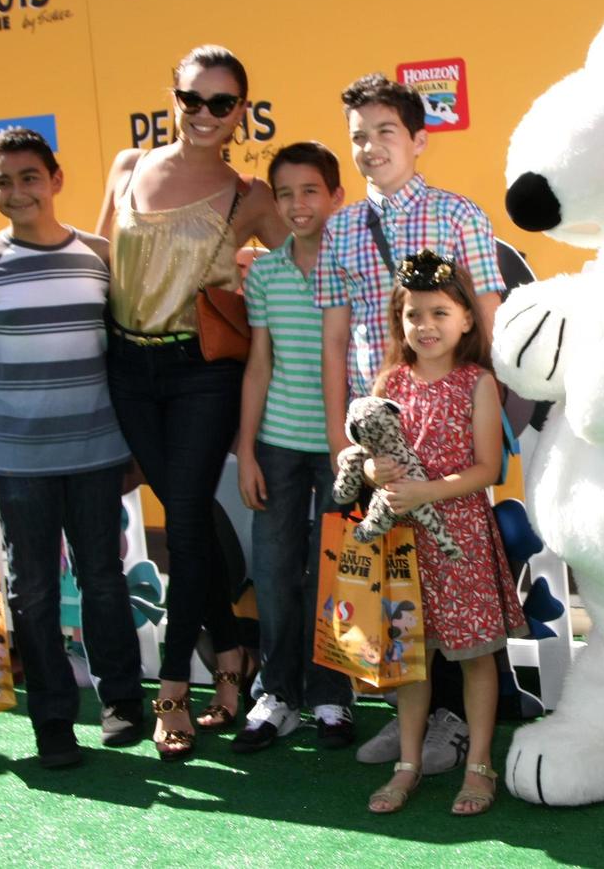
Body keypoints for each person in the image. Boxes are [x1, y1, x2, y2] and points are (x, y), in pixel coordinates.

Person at [95, 44, 280, 762]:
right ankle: (232, 652)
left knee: (186, 525)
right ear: (172, 97)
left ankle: (176, 688)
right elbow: (97, 263)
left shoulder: (251, 194)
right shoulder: (127, 167)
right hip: (127, 368)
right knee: (191, 514)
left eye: (222, 103)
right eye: (192, 99)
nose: (204, 115)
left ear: (241, 113)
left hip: (202, 371)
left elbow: (312, 261)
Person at [315, 73, 505, 769]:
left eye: (385, 132)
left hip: (450, 427)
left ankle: (459, 729)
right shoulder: (338, 230)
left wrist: (483, 408)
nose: (371, 148)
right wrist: (352, 448)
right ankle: (412, 728)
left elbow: (488, 323)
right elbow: (336, 342)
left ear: (420, 140)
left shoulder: (460, 216)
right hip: (382, 437)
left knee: (457, 577)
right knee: (401, 587)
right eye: (358, 137)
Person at [0, 127, 145, 769]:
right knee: (33, 592)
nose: (16, 191)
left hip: (97, 454)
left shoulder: (99, 255)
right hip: (18, 463)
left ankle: (122, 705)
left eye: (29, 177)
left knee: (104, 582)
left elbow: (131, 359)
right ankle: (53, 722)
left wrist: (138, 451)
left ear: (56, 181)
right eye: (2, 180)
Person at [362, 250, 527, 817]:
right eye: (413, 315)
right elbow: (363, 453)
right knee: (411, 657)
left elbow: (488, 469)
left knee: (474, 656)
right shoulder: (389, 381)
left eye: (439, 313)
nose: (425, 326)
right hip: (403, 545)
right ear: (398, 321)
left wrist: (425, 491)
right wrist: (370, 472)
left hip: (459, 540)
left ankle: (479, 762)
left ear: (464, 320)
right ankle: (407, 762)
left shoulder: (476, 382)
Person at [233, 142, 356, 753]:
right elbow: (258, 365)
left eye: (311, 191)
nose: (298, 204)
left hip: (342, 450)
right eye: (285, 194)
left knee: (332, 576)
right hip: (278, 445)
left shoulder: (357, 267)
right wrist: (247, 451)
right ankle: (276, 695)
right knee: (276, 574)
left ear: (337, 196)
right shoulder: (266, 274)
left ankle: (332, 696)